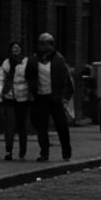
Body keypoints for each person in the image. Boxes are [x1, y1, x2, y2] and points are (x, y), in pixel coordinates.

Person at [26, 32, 74, 162]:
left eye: (47, 43)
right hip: (40, 98)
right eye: (42, 43)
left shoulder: (59, 60)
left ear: (52, 45)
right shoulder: (33, 61)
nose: (44, 46)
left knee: (61, 126)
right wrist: (32, 93)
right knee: (41, 127)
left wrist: (65, 97)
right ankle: (44, 153)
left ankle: (66, 151)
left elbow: (67, 80)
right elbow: (29, 77)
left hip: (55, 98)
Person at [0, 41, 32, 160]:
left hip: (23, 97)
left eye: (18, 48)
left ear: (21, 49)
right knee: (9, 125)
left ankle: (22, 152)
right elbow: (1, 78)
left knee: (22, 126)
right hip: (9, 97)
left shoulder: (26, 62)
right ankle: (8, 151)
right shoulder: (6, 63)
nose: (15, 50)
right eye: (13, 48)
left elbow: (31, 78)